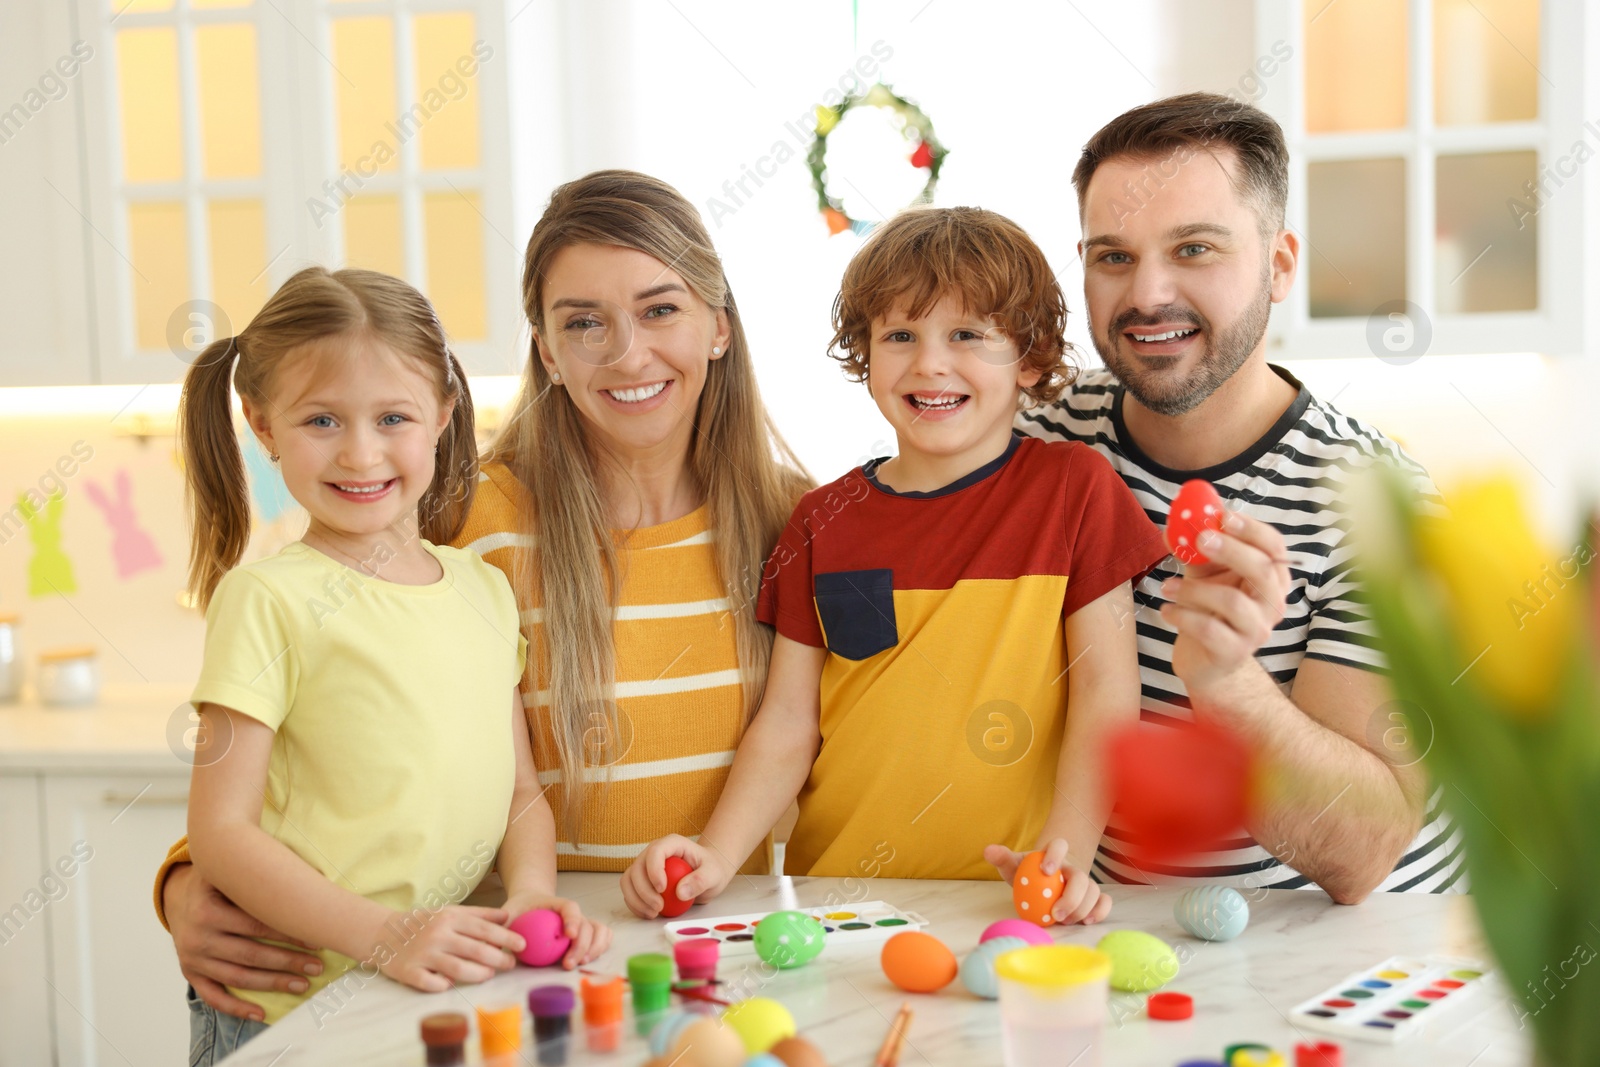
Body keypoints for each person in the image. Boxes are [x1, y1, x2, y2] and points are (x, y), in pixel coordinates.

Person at [156, 172, 813, 1023]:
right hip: (507, 972)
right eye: (583, 322)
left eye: (661, 309)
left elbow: (849, 745)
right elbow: (327, 727)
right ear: (544, 347)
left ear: (719, 326)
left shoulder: (799, 524)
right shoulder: (466, 517)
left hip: (711, 962)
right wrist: (183, 877)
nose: (627, 353)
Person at [623, 206, 1168, 924]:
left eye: (967, 335)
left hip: (1011, 905)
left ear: (1030, 359)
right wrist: (718, 851)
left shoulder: (1076, 491)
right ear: (866, 355)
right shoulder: (821, 519)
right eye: (900, 335)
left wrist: (1062, 860)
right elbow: (789, 722)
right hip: (835, 906)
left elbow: (1105, 696)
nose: (929, 362)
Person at [1010, 92, 1460, 902]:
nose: (1147, 294)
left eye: (1193, 249)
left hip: (1349, 966)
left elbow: (1364, 852)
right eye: (1112, 256)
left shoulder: (1380, 509)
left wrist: (1227, 683)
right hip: (1125, 930)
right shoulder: (1041, 441)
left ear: (1280, 265)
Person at [173, 267, 608, 1062]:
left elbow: (517, 791)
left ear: (443, 413)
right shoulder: (266, 598)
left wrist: (533, 895)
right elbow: (221, 830)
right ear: (262, 426)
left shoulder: (483, 588)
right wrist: (385, 935)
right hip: (290, 1009)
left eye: (393, 416)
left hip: (425, 986)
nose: (360, 452)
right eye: (321, 420)